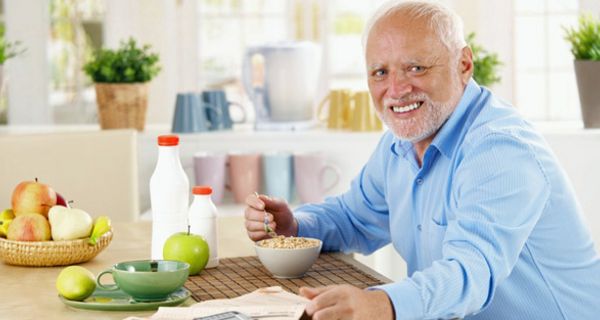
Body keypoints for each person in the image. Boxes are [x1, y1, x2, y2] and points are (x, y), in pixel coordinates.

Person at [244, 1, 600, 319]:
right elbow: (354, 217)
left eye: (415, 68)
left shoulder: (499, 149)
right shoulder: (400, 145)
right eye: (380, 72)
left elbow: (471, 272)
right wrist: (296, 225)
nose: (396, 90)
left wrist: (384, 304)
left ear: (463, 64)